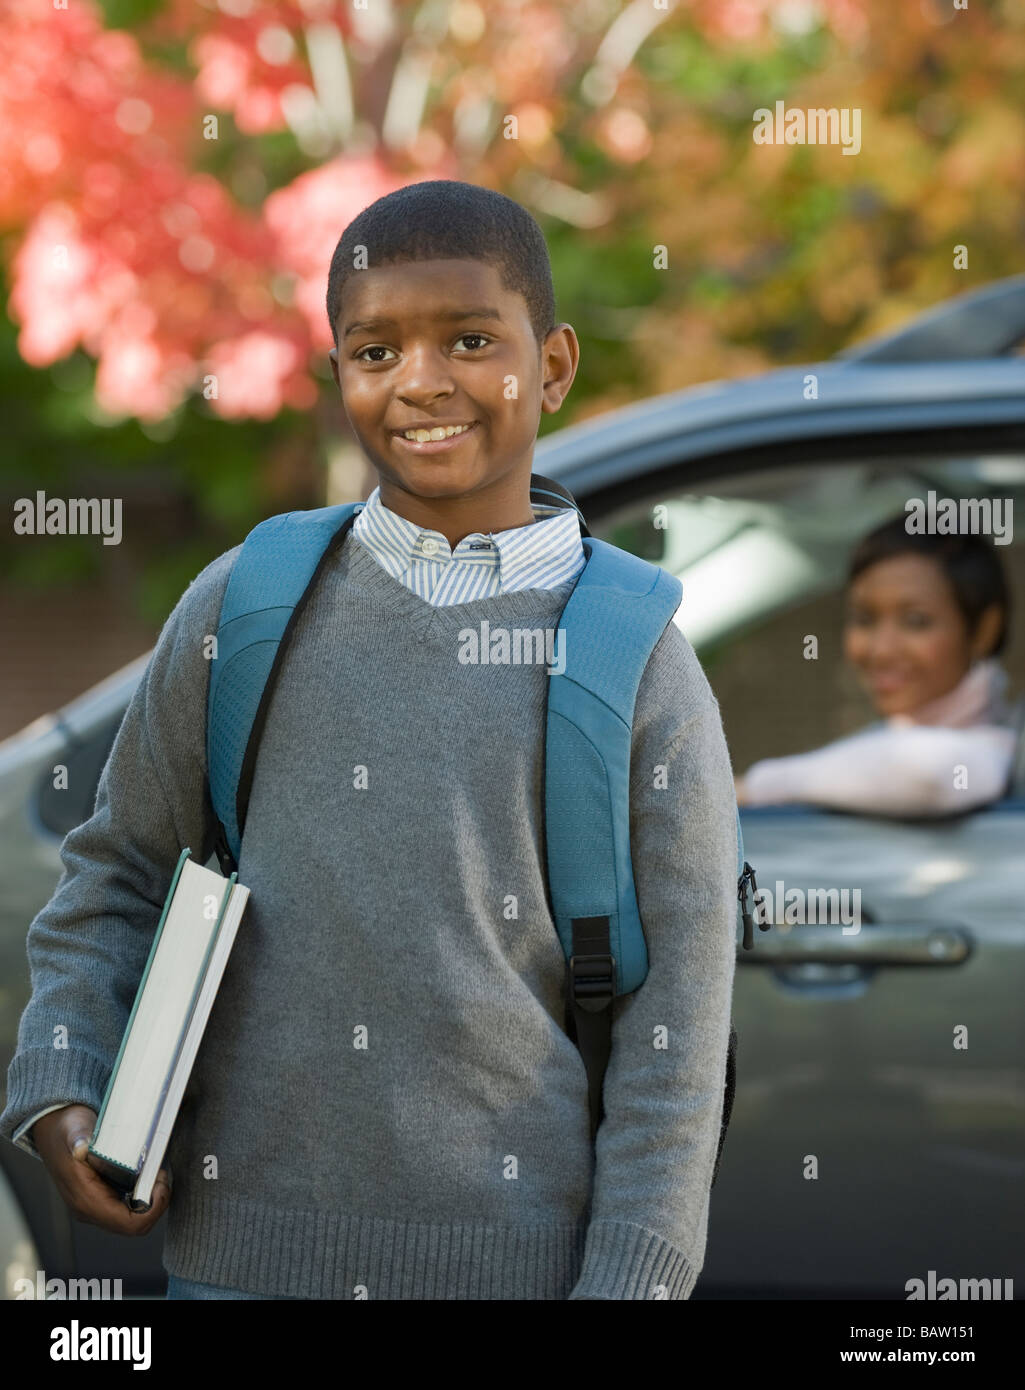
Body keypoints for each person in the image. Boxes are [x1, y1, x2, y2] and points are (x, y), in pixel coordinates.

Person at [0, 181, 739, 1301]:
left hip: (514, 1276)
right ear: (339, 374)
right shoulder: (242, 607)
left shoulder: (636, 660)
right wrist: (61, 1082)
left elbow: (674, 1036)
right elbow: (116, 875)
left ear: (550, 366)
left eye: (470, 339)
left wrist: (631, 1283)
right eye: (374, 350)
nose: (421, 382)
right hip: (232, 1268)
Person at [735, 516, 1021, 817]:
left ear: (984, 630)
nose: (880, 650)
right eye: (864, 619)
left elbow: (924, 775)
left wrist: (753, 788)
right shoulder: (883, 739)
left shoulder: (997, 749)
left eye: (916, 621)